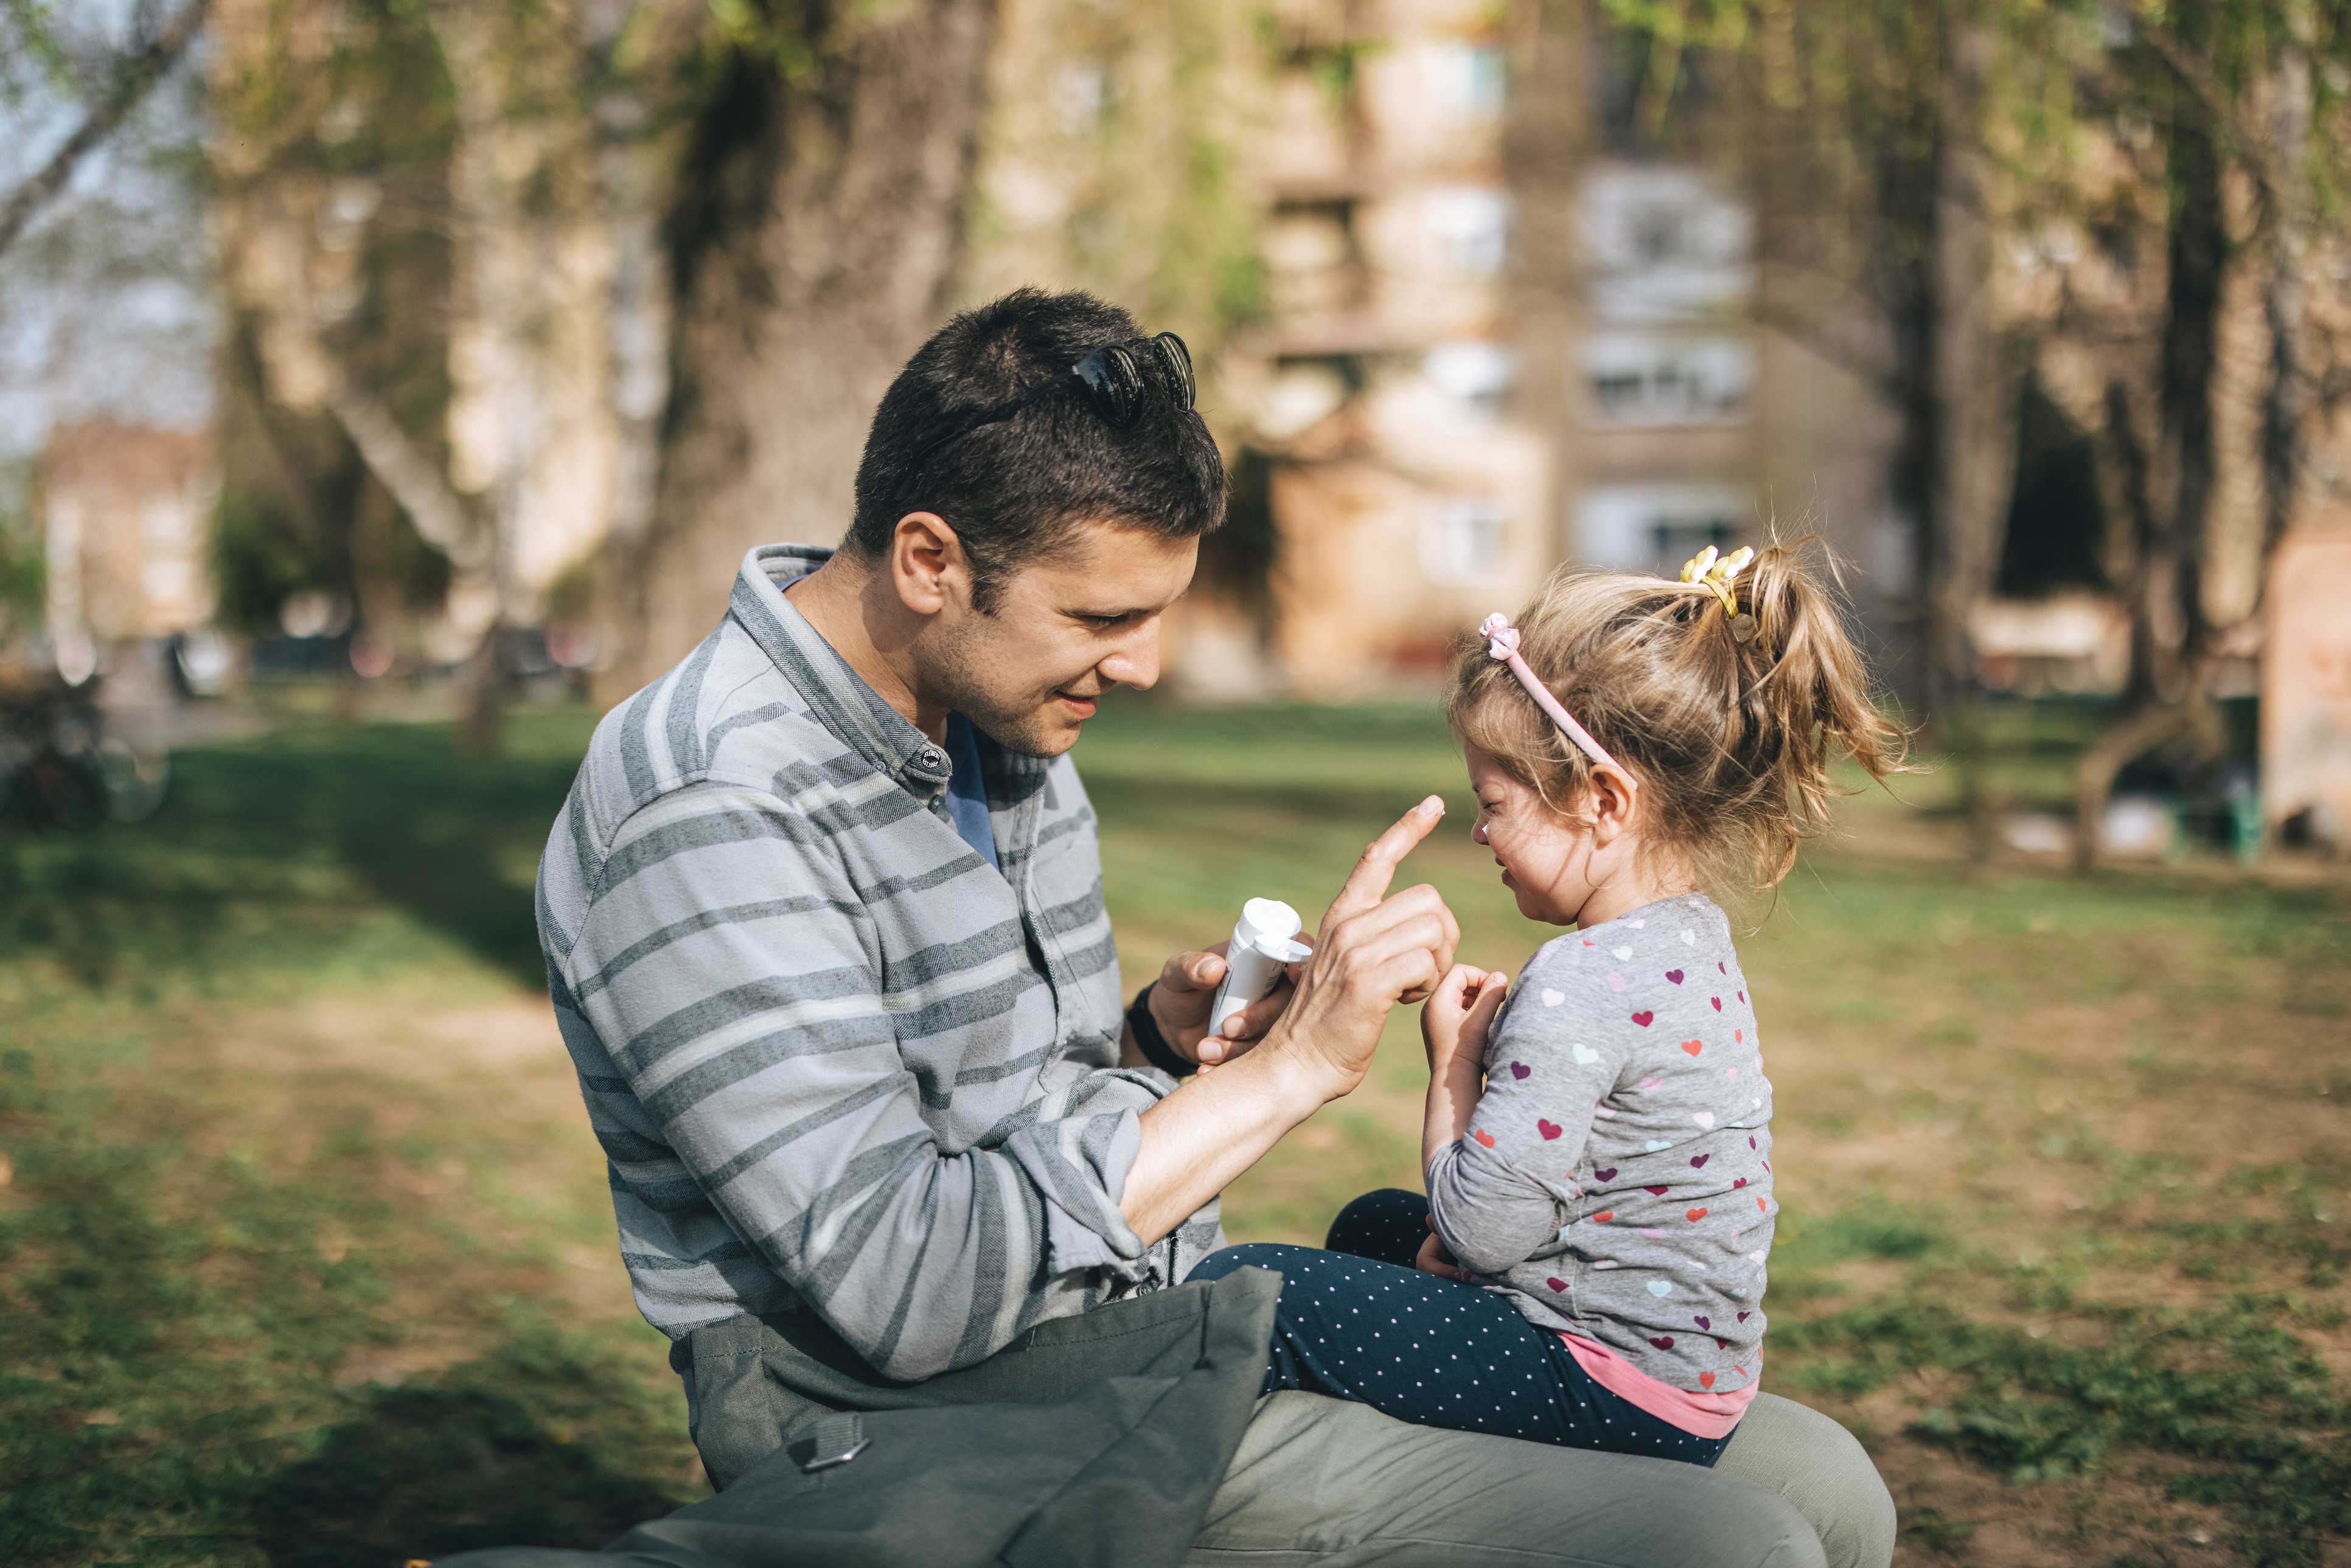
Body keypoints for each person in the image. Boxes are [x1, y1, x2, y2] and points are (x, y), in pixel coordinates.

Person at [534, 288, 1898, 1567]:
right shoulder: (711, 802)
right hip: (927, 1412)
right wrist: (1289, 1069)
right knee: (1734, 1546)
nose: (1142, 664)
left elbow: (1006, 1095)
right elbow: (911, 1288)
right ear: (931, 560)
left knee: (1830, 1487)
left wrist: (1156, 1037)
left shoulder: (998, 723)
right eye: (1106, 617)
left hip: (1158, 1317)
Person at [1193, 543, 1909, 1471]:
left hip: (1603, 1381)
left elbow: (1480, 1229)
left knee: (1246, 1289)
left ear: (1605, 800)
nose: (1481, 829)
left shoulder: (1578, 978)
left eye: (1494, 801)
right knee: (1373, 1223)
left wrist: (1452, 1058)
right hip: (1688, 1372)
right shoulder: (1691, 938)